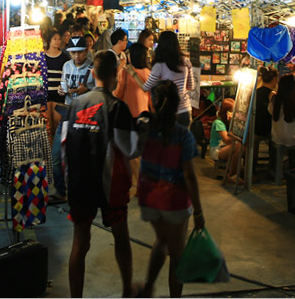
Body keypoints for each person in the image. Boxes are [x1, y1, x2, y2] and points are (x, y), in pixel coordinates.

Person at [60, 51, 147, 298]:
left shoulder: (75, 104)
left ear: (93, 73)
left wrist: (69, 181)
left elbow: (65, 145)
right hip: (110, 185)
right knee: (121, 237)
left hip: (79, 183)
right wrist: (143, 125)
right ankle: (127, 290)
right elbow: (131, 148)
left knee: (80, 242)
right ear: (115, 76)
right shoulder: (116, 107)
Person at [138, 80, 205, 298]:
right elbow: (189, 176)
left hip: (149, 198)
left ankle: (149, 286)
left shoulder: (145, 129)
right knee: (177, 254)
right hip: (174, 201)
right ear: (177, 104)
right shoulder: (182, 135)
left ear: (153, 104)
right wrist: (198, 211)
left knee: (163, 240)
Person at [53, 36, 95, 199]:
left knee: (81, 158)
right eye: (73, 53)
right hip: (67, 114)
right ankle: (60, 191)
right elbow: (63, 83)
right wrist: (61, 90)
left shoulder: (92, 68)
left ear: (86, 51)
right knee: (56, 156)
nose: (76, 56)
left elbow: (100, 93)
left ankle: (82, 192)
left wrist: (87, 91)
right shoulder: (66, 65)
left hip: (85, 117)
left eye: (80, 52)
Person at [113, 43, 151, 197]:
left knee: (131, 154)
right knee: (141, 153)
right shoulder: (149, 72)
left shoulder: (126, 71)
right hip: (146, 116)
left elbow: (118, 92)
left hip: (130, 116)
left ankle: (142, 185)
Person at [143, 31, 195, 126]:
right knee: (184, 139)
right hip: (185, 109)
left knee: (167, 140)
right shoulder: (185, 61)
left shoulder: (159, 66)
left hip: (166, 112)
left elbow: (146, 87)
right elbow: (191, 86)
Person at [269, 75, 295, 172]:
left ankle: (290, 163)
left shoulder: (275, 102)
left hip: (277, 138)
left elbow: (270, 112)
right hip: (293, 139)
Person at [44, 28, 71, 143]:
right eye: (54, 39)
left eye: (59, 39)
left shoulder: (64, 57)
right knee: (47, 124)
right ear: (49, 41)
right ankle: (49, 148)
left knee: (57, 122)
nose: (57, 41)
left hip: (58, 94)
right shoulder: (42, 57)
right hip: (45, 93)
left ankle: (56, 147)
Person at [208, 98, 244, 185]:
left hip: (226, 147)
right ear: (226, 111)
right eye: (232, 110)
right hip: (217, 149)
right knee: (238, 146)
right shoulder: (218, 122)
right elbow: (228, 141)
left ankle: (237, 172)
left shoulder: (227, 121)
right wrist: (233, 124)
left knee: (242, 146)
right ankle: (231, 175)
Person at [254, 67, 278, 180]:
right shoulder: (272, 94)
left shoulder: (255, 92)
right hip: (268, 129)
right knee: (276, 141)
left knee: (254, 144)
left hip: (255, 128)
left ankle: (252, 170)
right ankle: (273, 170)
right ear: (274, 79)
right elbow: (276, 113)